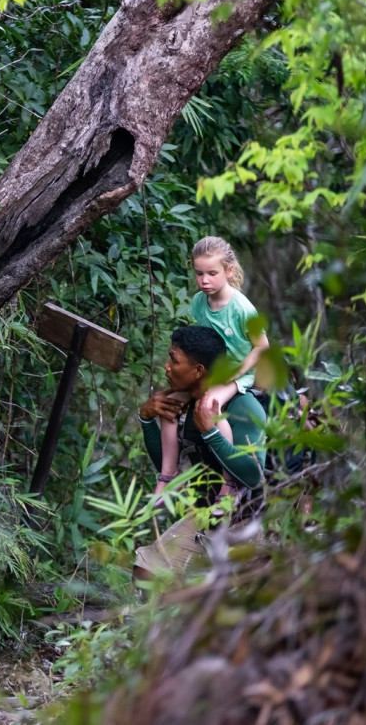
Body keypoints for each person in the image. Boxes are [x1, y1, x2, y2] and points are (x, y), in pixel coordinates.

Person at [134, 325, 267, 580]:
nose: (167, 366)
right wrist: (147, 418)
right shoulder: (186, 401)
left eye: (174, 360)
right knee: (146, 572)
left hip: (246, 523)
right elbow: (167, 464)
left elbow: (253, 476)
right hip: (205, 516)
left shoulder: (243, 407)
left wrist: (211, 433)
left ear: (198, 371)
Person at [156, 236, 269, 504]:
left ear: (228, 271)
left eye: (212, 273)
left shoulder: (241, 308)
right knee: (168, 406)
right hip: (211, 373)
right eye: (199, 273)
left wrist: (235, 373)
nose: (204, 280)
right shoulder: (199, 302)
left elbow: (262, 346)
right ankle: (167, 475)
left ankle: (228, 481)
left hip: (237, 374)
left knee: (211, 404)